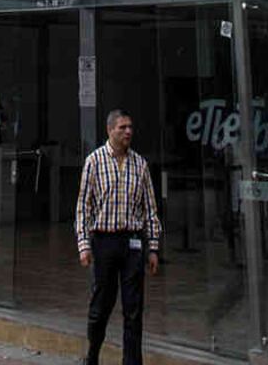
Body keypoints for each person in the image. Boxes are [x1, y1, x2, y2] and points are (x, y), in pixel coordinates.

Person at [76, 109, 163, 365]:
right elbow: (83, 207)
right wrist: (83, 245)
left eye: (130, 127)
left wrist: (153, 248)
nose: (128, 132)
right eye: (122, 127)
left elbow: (150, 209)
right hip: (104, 241)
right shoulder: (94, 162)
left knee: (133, 309)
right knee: (101, 305)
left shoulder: (140, 164)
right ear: (109, 130)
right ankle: (92, 356)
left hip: (132, 243)